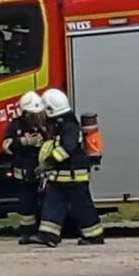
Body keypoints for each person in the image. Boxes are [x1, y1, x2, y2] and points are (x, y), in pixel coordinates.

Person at [35, 88, 104, 246]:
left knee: (81, 206)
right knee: (52, 203)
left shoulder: (69, 125)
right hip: (61, 175)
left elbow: (67, 148)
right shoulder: (60, 123)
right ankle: (48, 235)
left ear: (52, 108)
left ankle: (94, 236)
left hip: (74, 175)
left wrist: (48, 163)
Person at [2, 91, 47, 244]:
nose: (34, 116)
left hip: (42, 171)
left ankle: (44, 232)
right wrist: (23, 142)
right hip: (23, 172)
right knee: (26, 204)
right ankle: (27, 233)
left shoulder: (46, 124)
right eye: (31, 113)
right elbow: (6, 146)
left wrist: (43, 141)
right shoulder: (16, 124)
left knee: (45, 202)